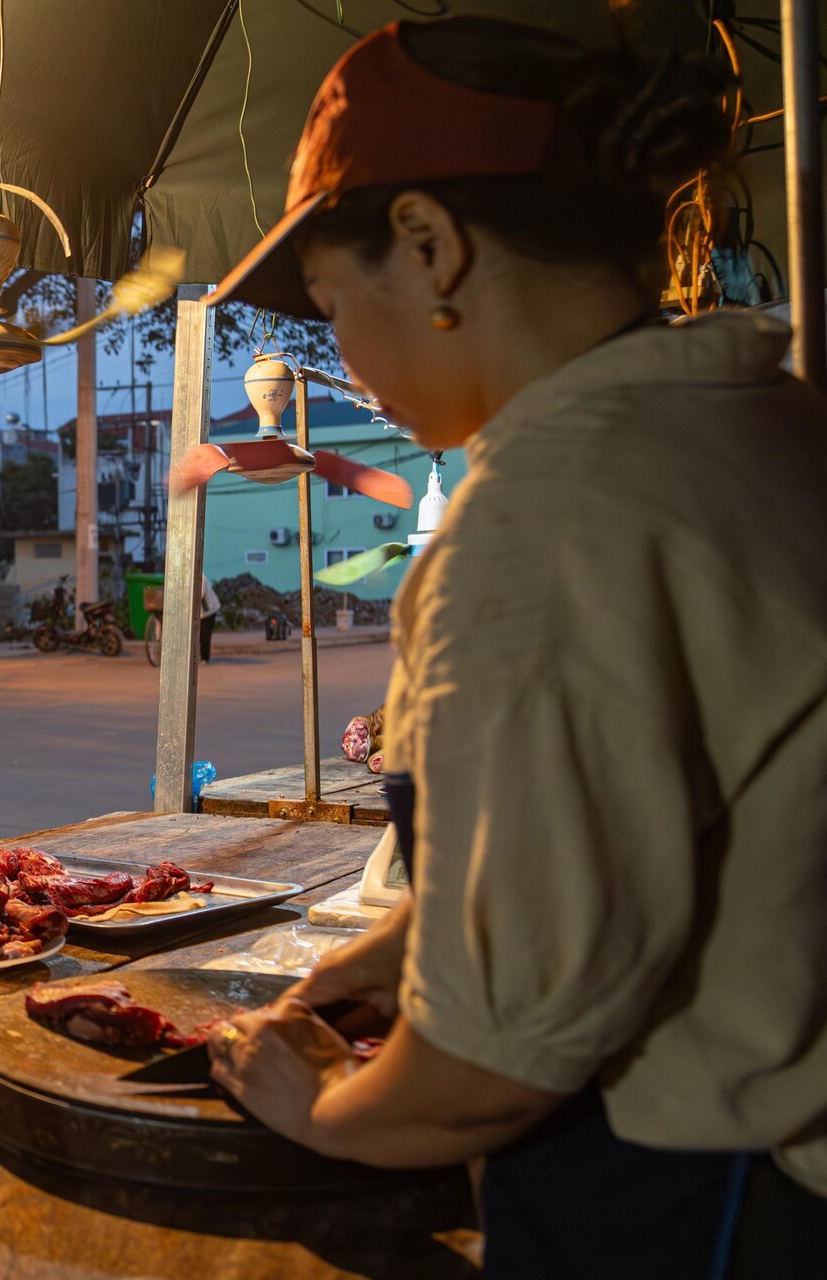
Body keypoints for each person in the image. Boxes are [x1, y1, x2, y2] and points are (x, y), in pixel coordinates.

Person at [199, 19, 826, 1276]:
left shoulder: (544, 514)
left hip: (709, 1196)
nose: (347, 363)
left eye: (332, 306)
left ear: (430, 245)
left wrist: (317, 1101)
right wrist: (400, 945)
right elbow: (658, 832)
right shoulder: (761, 421)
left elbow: (495, 1059)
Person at [197, 574, 219, 664]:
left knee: (205, 635)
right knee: (199, 635)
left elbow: (200, 594)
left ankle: (205, 658)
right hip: (201, 613)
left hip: (209, 611)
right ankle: (200, 656)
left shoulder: (201, 577)